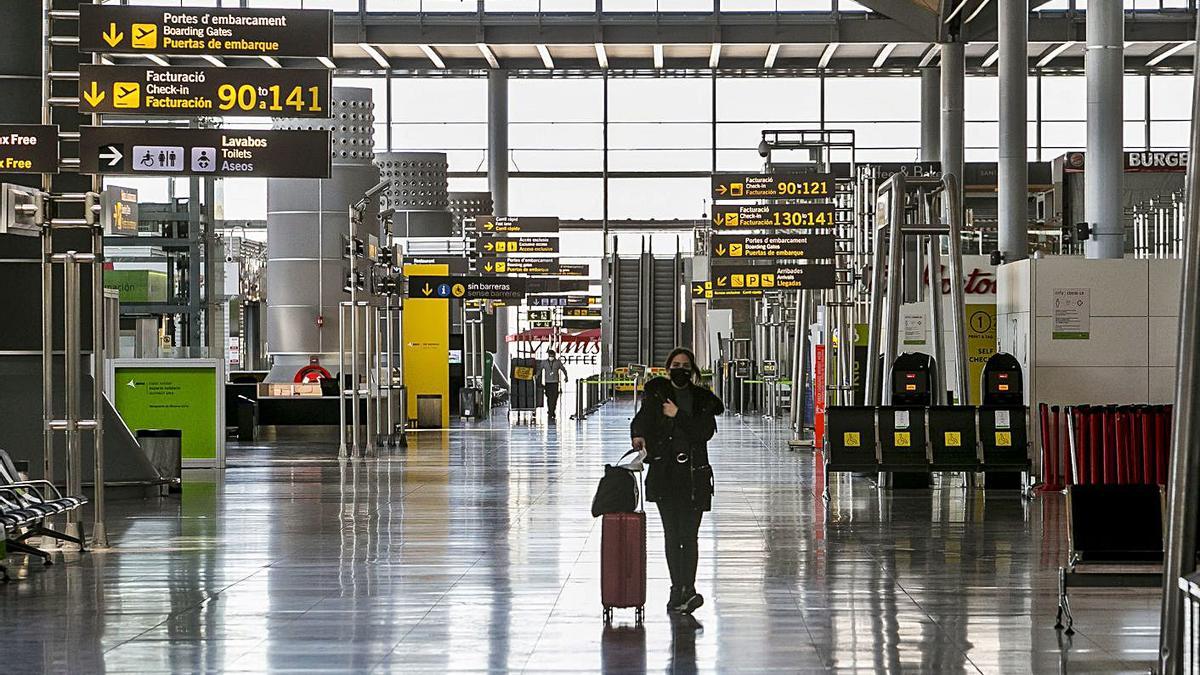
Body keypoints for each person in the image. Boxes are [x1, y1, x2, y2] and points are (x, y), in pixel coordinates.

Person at [630, 347, 724, 615]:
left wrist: (678, 415)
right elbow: (642, 420)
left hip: (695, 476)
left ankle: (689, 588)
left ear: (691, 370)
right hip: (665, 474)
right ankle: (676, 589)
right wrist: (638, 435)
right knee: (672, 535)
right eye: (675, 364)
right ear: (668, 367)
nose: (680, 369)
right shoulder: (657, 395)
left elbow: (702, 433)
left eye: (685, 365)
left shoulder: (703, 400)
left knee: (689, 536)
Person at [539, 349, 568, 421]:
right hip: (548, 382)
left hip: (555, 382)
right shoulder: (544, 362)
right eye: (550, 356)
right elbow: (540, 370)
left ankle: (552, 410)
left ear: (554, 356)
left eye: (552, 356)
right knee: (549, 397)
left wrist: (566, 377)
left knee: (555, 397)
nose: (551, 357)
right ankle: (550, 411)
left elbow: (563, 369)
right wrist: (536, 376)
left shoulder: (558, 362)